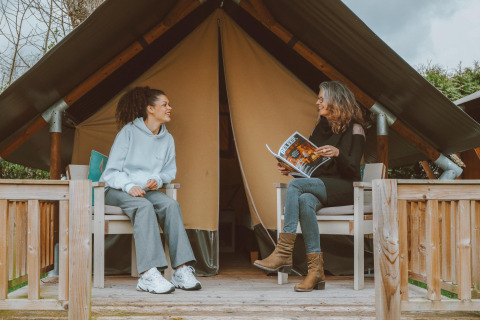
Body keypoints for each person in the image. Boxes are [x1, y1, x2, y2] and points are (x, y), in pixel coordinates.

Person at [254, 81, 366, 292]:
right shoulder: (321, 128)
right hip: (323, 185)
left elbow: (352, 170)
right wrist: (293, 169)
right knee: (304, 199)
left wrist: (338, 153)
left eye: (321, 98)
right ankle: (315, 272)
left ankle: (283, 251)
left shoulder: (356, 128)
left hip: (346, 188)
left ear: (335, 99)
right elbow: (315, 169)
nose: (317, 102)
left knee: (296, 186)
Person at [100, 86, 201, 294]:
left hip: (146, 191)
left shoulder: (168, 139)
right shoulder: (128, 132)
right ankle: (148, 274)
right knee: (144, 206)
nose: (169, 108)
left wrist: (157, 178)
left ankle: (181, 270)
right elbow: (111, 172)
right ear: (150, 109)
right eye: (165, 104)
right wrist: (129, 186)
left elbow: (169, 171)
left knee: (171, 205)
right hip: (115, 190)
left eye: (168, 104)